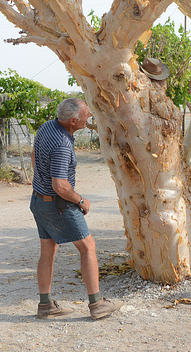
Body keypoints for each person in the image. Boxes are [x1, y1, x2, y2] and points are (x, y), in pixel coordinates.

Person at [30, 98, 123, 320]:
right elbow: (60, 186)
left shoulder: (46, 127)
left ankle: (45, 306)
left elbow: (34, 157)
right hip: (57, 204)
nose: (88, 118)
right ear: (73, 121)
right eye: (86, 116)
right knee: (88, 247)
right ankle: (97, 304)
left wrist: (41, 182)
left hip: (38, 201)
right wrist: (80, 200)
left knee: (48, 249)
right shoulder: (62, 144)